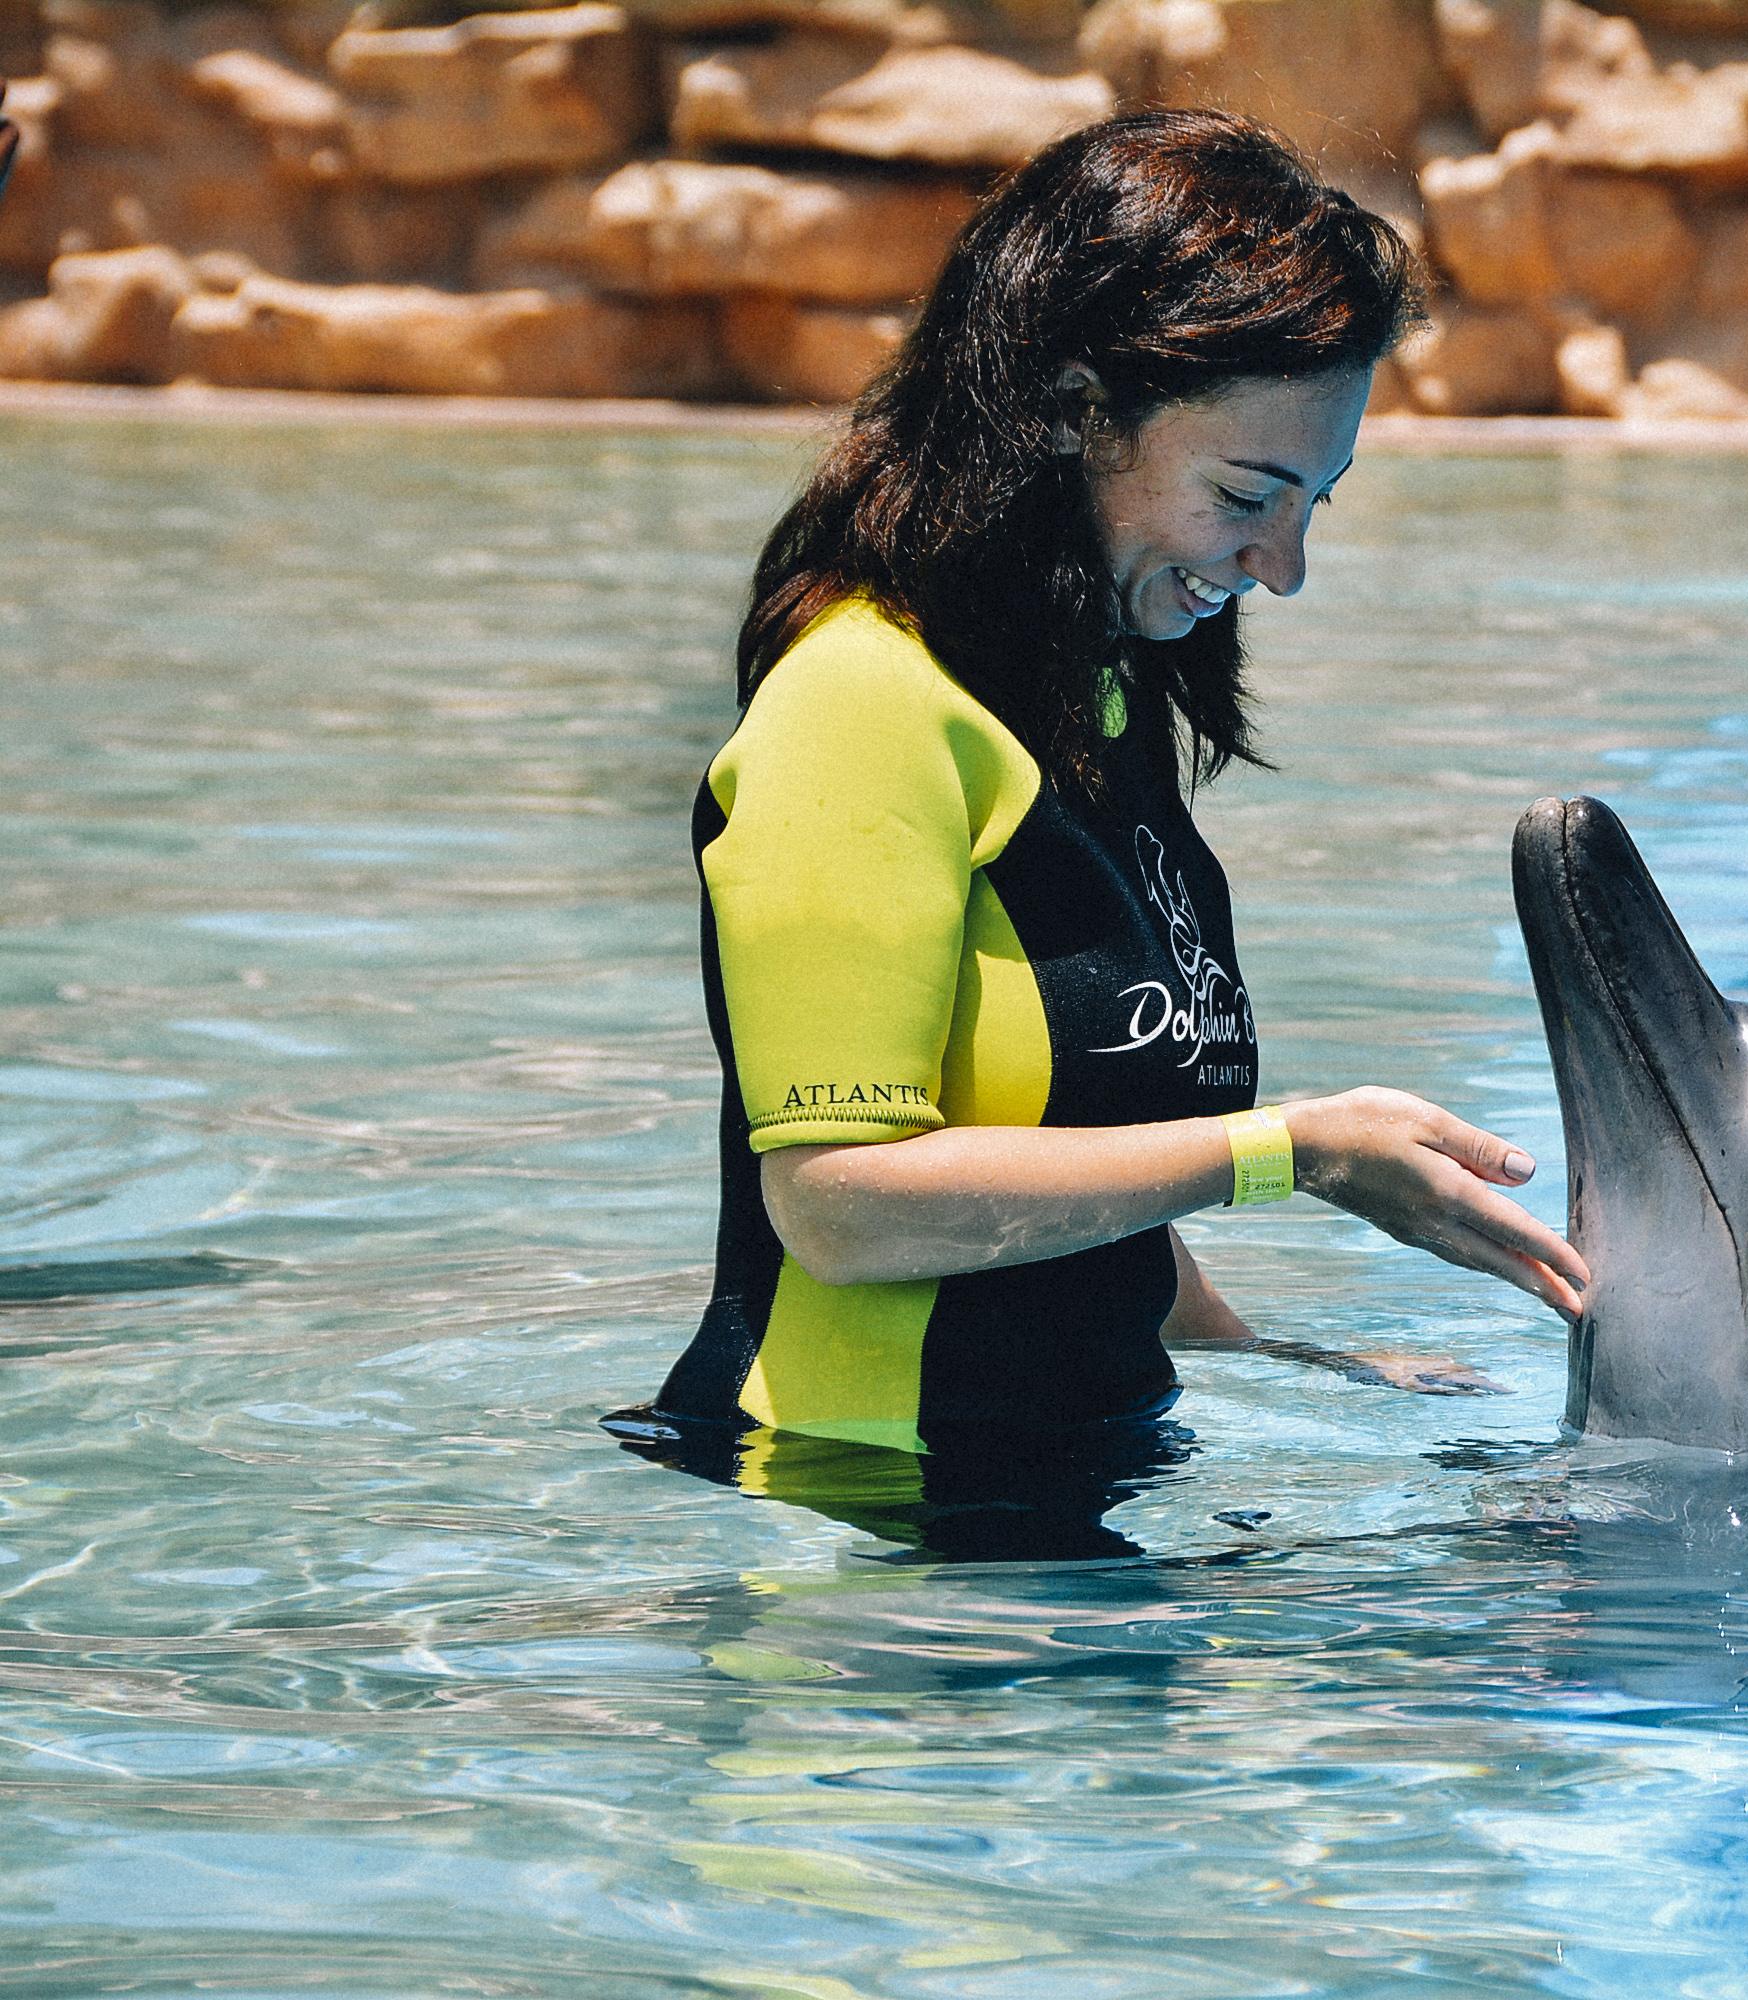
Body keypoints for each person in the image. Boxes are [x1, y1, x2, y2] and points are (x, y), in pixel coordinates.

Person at [606, 112, 1589, 1549]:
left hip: (1072, 1488)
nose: (1283, 566)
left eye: (1314, 502)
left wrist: (1276, 1363)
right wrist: (1292, 1151)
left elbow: (1082, 1150)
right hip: (858, 1530)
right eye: (1247, 495)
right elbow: (841, 1204)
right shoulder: (863, 707)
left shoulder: (1097, 705)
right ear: (1071, 408)